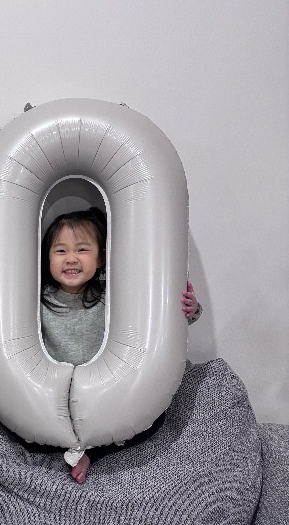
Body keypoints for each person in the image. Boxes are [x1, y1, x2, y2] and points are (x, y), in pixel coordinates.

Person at [39, 207, 202, 483]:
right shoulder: (40, 299)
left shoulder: (109, 296)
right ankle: (72, 445)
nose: (71, 259)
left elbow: (155, 319)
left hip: (102, 391)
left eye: (82, 250)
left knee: (153, 420)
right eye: (61, 251)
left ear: (101, 258)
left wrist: (192, 310)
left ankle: (94, 453)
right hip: (59, 396)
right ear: (48, 258)